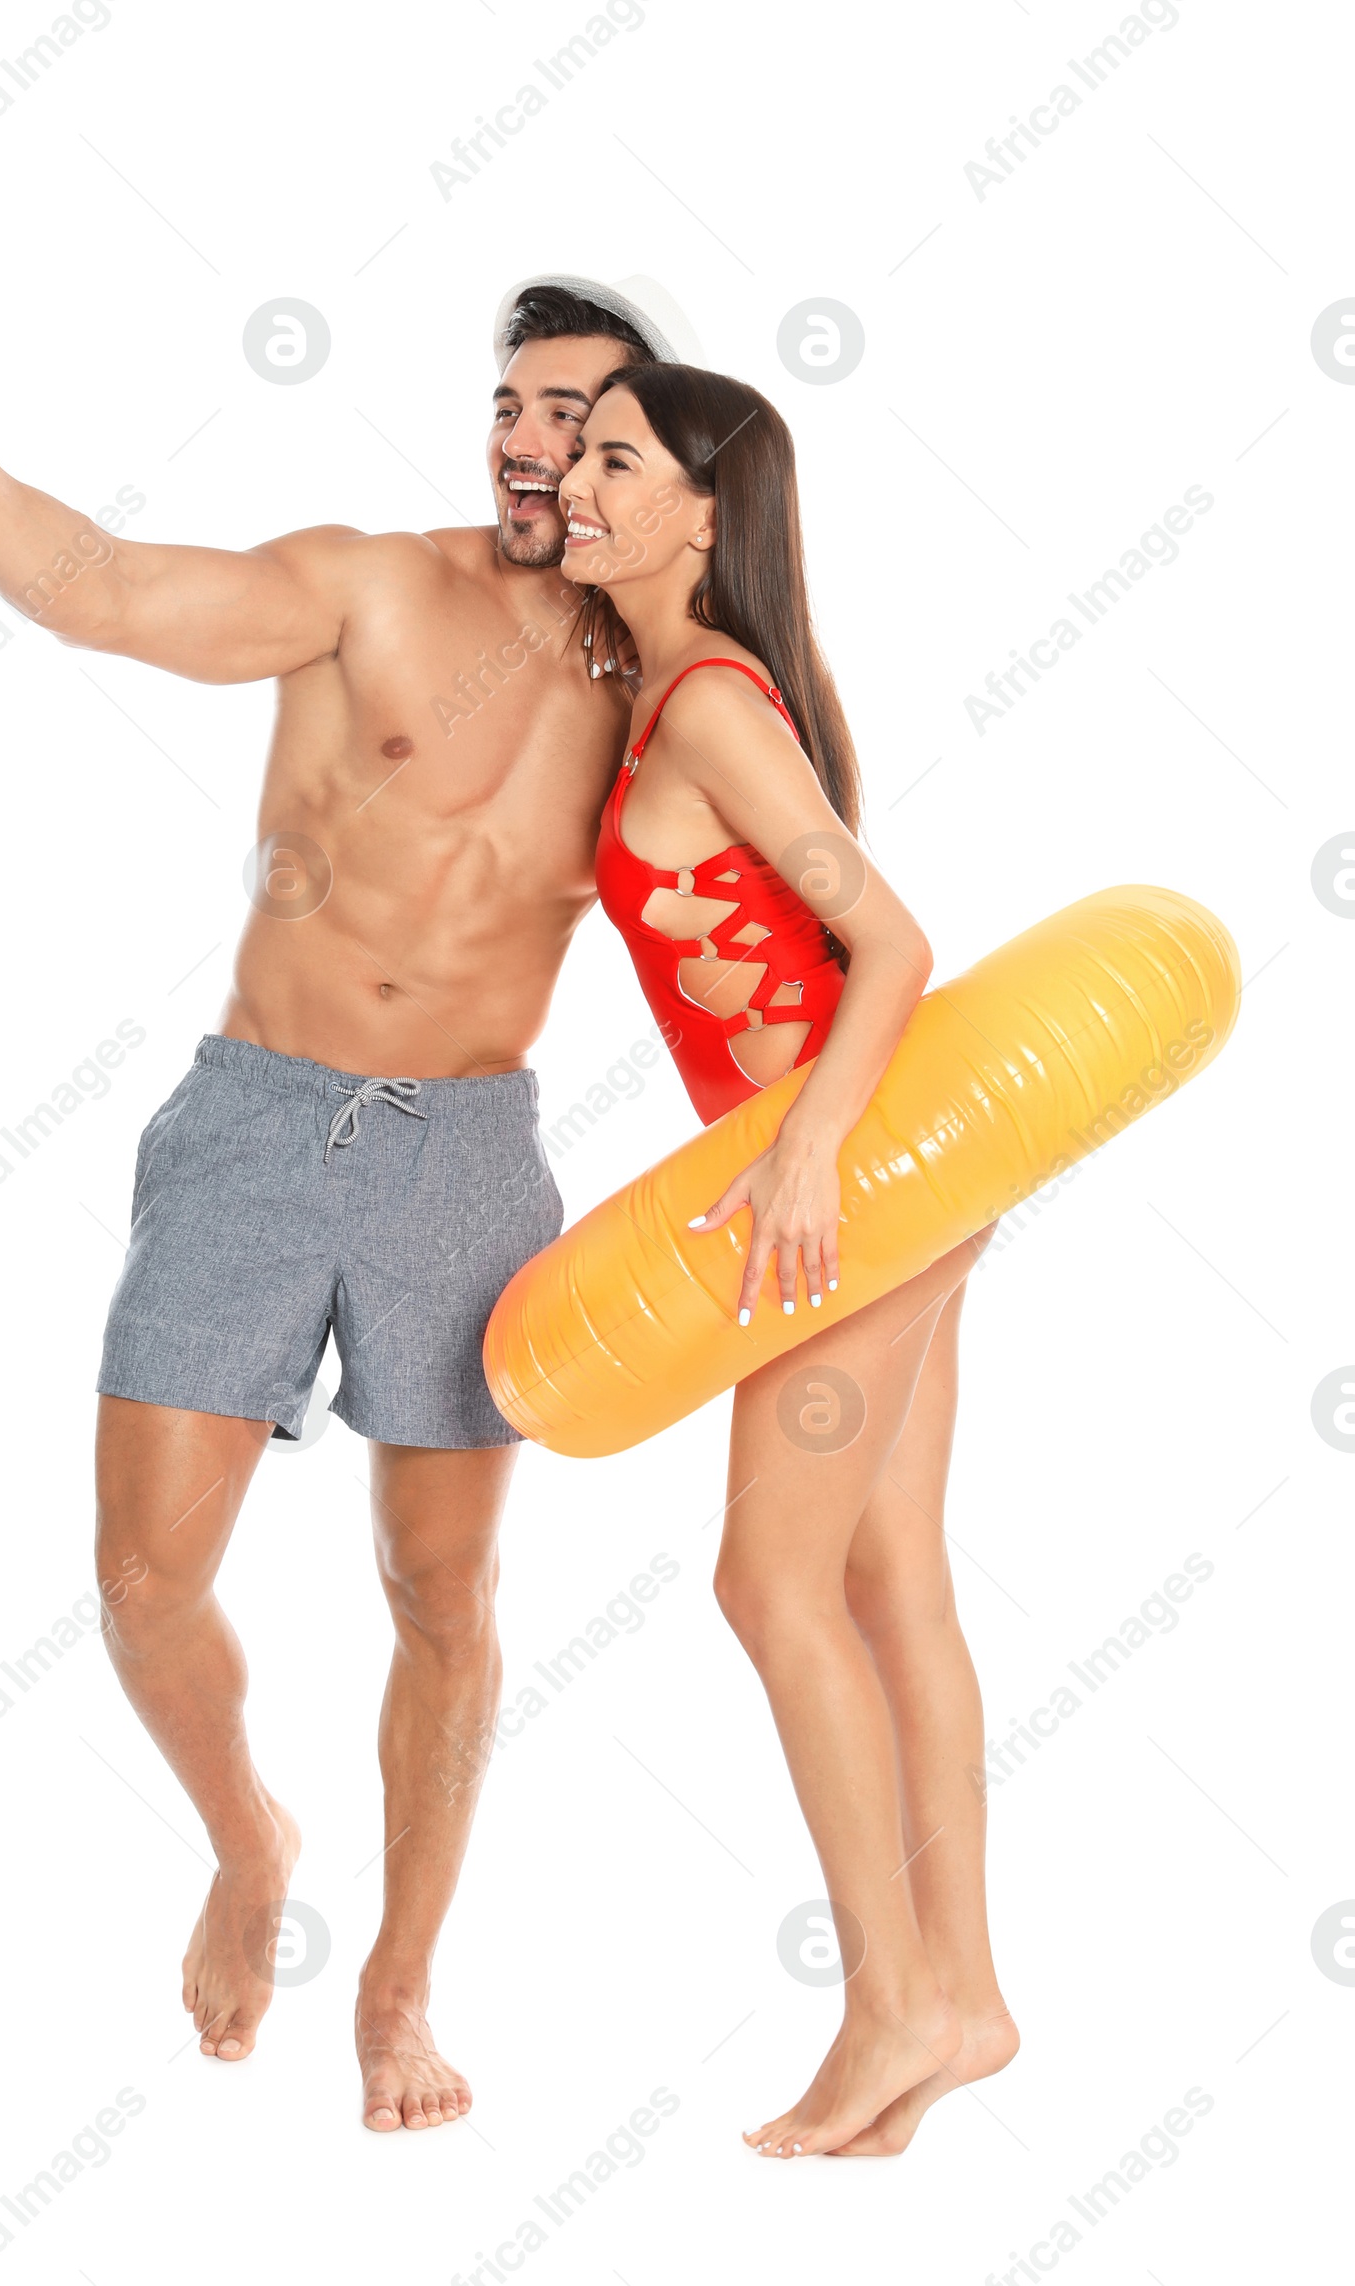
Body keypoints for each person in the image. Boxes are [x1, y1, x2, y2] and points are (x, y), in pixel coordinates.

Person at [0, 273, 680, 2127]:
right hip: (257, 1118)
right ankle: (249, 1839)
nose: (532, 445)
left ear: (650, 450)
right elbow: (116, 592)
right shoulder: (376, 584)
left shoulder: (672, 676)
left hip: (468, 1156)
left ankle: (398, 1991)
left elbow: (782, 886)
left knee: (443, 1587)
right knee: (146, 1577)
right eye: (514, 408)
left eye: (579, 418)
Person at [559, 362, 1016, 2157]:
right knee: (891, 1576)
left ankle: (894, 1999)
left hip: (851, 1191)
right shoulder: (667, 686)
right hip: (889, 1184)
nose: (576, 484)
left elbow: (890, 943)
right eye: (571, 454)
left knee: (770, 1583)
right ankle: (965, 1999)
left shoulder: (715, 707)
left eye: (614, 461)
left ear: (702, 509)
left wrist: (815, 1151)